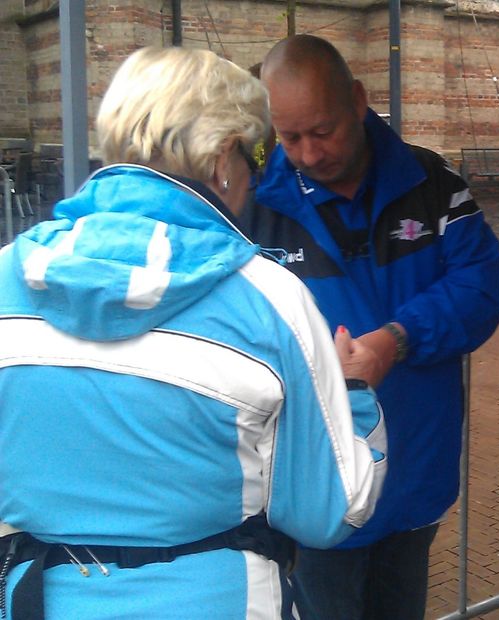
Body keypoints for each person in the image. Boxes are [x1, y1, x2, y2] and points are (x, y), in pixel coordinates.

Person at [0, 47, 387, 619]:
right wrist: (354, 391)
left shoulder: (6, 275)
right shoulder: (272, 299)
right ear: (223, 159)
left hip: (42, 598)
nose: (257, 177)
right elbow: (332, 508)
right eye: (256, 154)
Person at [246, 35, 499, 620]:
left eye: (323, 130)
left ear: (359, 101)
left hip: (416, 471)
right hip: (319, 485)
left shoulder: (431, 182)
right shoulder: (256, 211)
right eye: (289, 138)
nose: (309, 154)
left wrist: (398, 339)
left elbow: (480, 286)